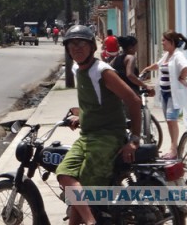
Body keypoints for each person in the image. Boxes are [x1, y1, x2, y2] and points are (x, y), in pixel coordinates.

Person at [56, 25, 141, 225]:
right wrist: (81, 116)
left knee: (84, 184)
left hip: (108, 136)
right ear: (67, 49)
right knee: (64, 174)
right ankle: (90, 220)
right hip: (87, 136)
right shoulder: (76, 68)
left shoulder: (102, 71)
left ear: (92, 47)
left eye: (82, 43)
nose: (77, 48)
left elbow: (134, 101)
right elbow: (92, 101)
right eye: (72, 44)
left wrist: (134, 140)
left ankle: (91, 222)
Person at [141, 30, 187, 160]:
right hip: (164, 94)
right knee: (170, 122)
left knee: (171, 120)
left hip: (172, 95)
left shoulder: (178, 55)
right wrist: (147, 69)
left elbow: (186, 67)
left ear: (172, 42)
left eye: (164, 40)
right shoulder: (167, 55)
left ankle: (173, 149)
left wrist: (181, 77)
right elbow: (157, 65)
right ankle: (172, 147)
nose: (162, 43)